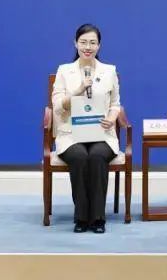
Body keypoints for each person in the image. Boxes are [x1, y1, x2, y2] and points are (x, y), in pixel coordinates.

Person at [51, 23, 122, 233]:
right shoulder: (64, 71)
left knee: (97, 156)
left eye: (92, 43)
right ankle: (82, 218)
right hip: (71, 135)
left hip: (102, 134)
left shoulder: (109, 71)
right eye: (83, 42)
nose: (88, 47)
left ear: (99, 46)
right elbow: (57, 106)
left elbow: (115, 104)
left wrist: (111, 118)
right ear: (75, 43)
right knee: (80, 156)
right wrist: (78, 90)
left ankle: (98, 218)